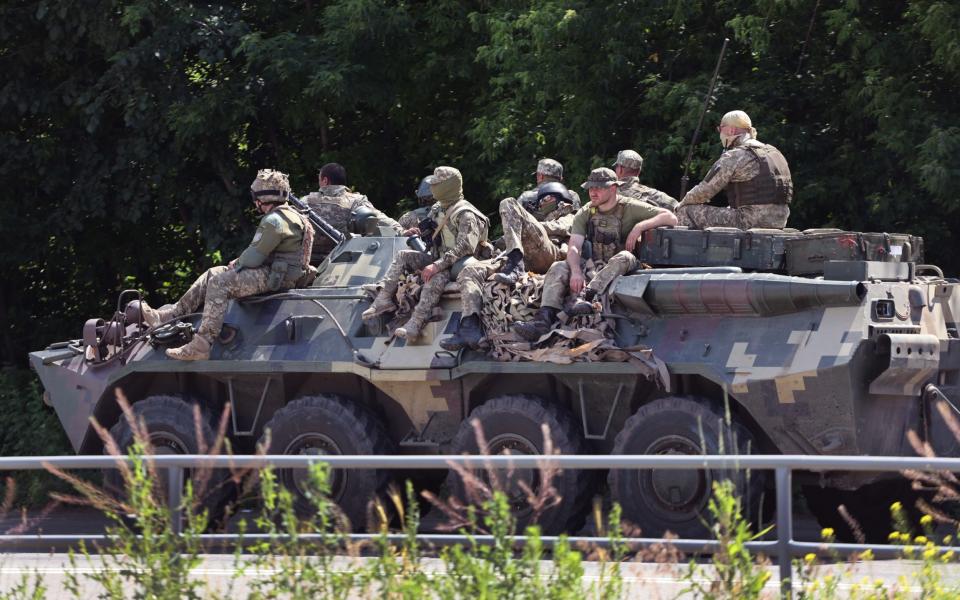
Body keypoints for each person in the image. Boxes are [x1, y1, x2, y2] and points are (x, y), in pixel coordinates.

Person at [140, 169, 313, 360]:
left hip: (277, 278)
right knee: (213, 273)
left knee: (220, 283)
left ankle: (202, 344)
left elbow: (254, 258)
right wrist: (239, 264)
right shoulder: (293, 216)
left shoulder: (274, 220)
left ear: (261, 198)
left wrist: (237, 263)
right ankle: (168, 316)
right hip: (278, 273)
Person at [513, 168, 677, 341]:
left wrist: (639, 227)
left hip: (624, 267)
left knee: (625, 257)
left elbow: (671, 218)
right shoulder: (586, 212)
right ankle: (542, 321)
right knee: (559, 266)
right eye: (591, 188)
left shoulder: (630, 207)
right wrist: (575, 271)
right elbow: (574, 246)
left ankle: (586, 296)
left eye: (598, 188)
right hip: (595, 265)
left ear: (613, 188)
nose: (593, 192)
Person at [362, 166, 489, 342]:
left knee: (434, 278)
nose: (433, 189)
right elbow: (434, 232)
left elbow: (465, 247)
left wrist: (436, 266)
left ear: (448, 186)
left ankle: (415, 324)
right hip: (441, 259)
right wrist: (416, 232)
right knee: (403, 255)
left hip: (463, 264)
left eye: (437, 185)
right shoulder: (439, 208)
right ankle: (383, 299)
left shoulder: (465, 214)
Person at [675, 110, 793, 229]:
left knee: (685, 211)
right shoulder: (775, 153)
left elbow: (704, 191)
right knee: (729, 209)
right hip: (779, 221)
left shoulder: (736, 155)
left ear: (731, 130)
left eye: (720, 129)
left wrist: (682, 204)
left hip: (748, 221)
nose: (720, 134)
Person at [303, 162, 402, 261]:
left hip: (308, 262)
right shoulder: (356, 201)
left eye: (319, 179)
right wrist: (402, 231)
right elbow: (379, 219)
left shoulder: (305, 201)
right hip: (341, 263)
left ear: (325, 180)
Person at [494, 179, 579, 286]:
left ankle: (516, 266)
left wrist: (524, 223)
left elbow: (560, 227)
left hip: (553, 255)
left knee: (509, 203)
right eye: (540, 201)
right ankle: (515, 262)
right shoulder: (545, 219)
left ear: (560, 198)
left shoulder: (570, 216)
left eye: (546, 198)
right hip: (532, 258)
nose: (542, 203)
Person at [613, 150, 678, 210]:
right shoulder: (654, 195)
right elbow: (677, 207)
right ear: (639, 171)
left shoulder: (608, 192)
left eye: (616, 166)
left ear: (620, 169)